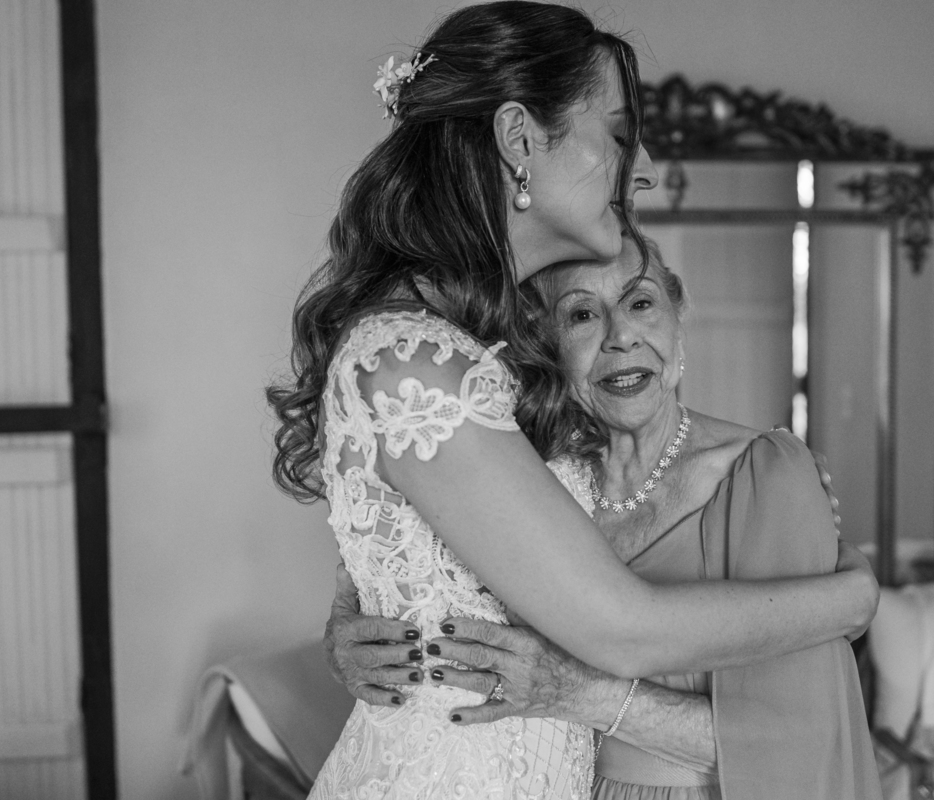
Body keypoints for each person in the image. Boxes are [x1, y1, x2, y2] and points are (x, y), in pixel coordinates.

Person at [267, 3, 878, 797]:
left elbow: (438, 541)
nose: (643, 168)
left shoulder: (481, 351)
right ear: (519, 139)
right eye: (620, 135)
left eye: (642, 303)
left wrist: (367, 608)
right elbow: (623, 628)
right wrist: (853, 596)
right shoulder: (415, 357)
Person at [322, 239, 881, 800]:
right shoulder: (531, 478)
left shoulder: (765, 477)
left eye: (641, 303)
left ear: (678, 315)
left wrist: (578, 692)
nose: (621, 336)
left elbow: (801, 738)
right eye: (582, 315)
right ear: (544, 341)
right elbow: (408, 571)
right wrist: (356, 633)